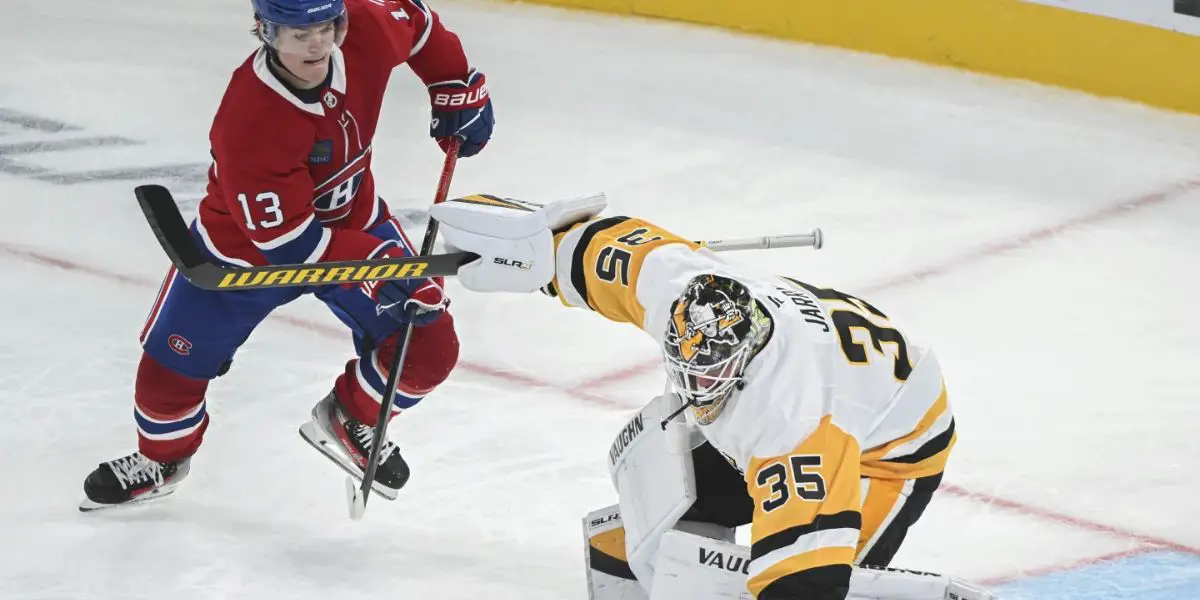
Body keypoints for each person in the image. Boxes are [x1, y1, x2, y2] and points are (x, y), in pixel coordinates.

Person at [423, 196, 957, 599]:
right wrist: (530, 247)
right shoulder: (679, 288)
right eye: (689, 371)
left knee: (843, 581)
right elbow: (598, 249)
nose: (697, 390)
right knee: (639, 530)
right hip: (837, 363)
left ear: (747, 355)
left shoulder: (792, 424)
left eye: (711, 375)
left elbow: (803, 586)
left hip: (890, 449)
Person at [80, 0, 494, 511]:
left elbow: (420, 24)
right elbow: (293, 248)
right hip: (244, 256)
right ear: (266, 32)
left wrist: (454, 82)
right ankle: (161, 459)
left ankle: (353, 417)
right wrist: (386, 264)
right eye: (300, 34)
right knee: (168, 376)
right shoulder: (250, 117)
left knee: (428, 344)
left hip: (351, 224)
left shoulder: (365, 28)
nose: (318, 43)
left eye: (326, 26)